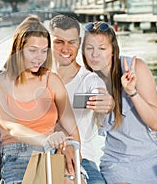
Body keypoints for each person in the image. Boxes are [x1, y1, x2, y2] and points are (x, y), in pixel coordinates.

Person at [0, 15, 82, 184]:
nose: (39, 57)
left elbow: (71, 128)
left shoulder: (53, 81)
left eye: (44, 51)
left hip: (55, 153)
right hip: (17, 158)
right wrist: (45, 140)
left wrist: (72, 153)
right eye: (33, 50)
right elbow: (11, 127)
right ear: (18, 49)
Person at [82, 21, 157, 184]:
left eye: (102, 48)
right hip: (117, 163)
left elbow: (156, 123)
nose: (95, 55)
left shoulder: (135, 68)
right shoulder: (86, 81)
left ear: (113, 50)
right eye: (89, 48)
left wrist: (132, 92)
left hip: (154, 159)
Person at [49, 14, 114, 184]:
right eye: (59, 42)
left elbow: (100, 93)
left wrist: (107, 101)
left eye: (71, 42)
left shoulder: (89, 80)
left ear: (78, 43)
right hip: (44, 158)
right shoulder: (38, 79)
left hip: (83, 158)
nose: (66, 49)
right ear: (48, 41)